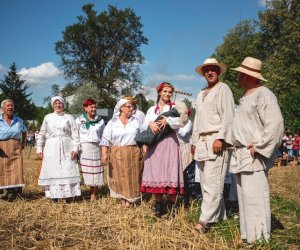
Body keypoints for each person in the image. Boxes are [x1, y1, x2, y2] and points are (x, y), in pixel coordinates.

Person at [229, 57, 284, 243]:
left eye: (239, 74)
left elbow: (275, 124)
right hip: (241, 154)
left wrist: (260, 146)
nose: (237, 76)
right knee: (245, 199)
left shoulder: (264, 94)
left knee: (255, 198)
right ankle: (248, 236)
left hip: (253, 154)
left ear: (246, 75)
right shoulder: (246, 97)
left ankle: (259, 238)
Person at [191, 58, 235, 233]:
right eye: (206, 70)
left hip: (216, 140)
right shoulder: (201, 93)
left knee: (213, 182)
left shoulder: (223, 89)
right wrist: (194, 142)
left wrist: (222, 138)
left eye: (213, 69)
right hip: (201, 141)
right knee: (205, 182)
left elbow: (229, 116)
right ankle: (220, 216)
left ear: (218, 71)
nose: (209, 72)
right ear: (203, 73)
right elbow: (197, 120)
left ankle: (204, 221)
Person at [140, 82, 184, 217]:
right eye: (165, 91)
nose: (167, 94)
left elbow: (181, 123)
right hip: (154, 145)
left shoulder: (175, 108)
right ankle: (159, 206)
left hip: (170, 142)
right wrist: (150, 123)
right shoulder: (152, 109)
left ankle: (172, 207)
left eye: (170, 92)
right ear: (159, 92)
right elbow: (143, 126)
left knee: (170, 170)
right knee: (155, 172)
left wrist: (168, 121)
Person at [36, 96, 81, 200]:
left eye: (60, 103)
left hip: (67, 146)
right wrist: (39, 148)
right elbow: (42, 133)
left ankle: (69, 194)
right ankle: (54, 195)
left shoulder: (69, 117)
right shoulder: (47, 117)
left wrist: (75, 148)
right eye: (56, 103)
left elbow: (75, 134)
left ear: (63, 105)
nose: (58, 105)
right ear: (52, 105)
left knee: (67, 169)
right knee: (53, 170)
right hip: (51, 147)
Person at [101, 97, 143, 208]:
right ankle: (122, 198)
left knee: (132, 177)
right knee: (118, 177)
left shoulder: (136, 121)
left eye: (132, 106)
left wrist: (145, 152)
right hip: (116, 152)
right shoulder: (112, 123)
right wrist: (104, 154)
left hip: (132, 152)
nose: (131, 108)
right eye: (129, 106)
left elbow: (143, 138)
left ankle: (129, 199)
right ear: (121, 108)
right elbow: (105, 139)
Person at [76, 98, 105, 201]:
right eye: (91, 107)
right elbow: (76, 136)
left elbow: (103, 136)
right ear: (85, 108)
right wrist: (77, 149)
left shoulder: (100, 120)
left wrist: (104, 150)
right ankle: (82, 192)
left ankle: (93, 193)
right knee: (85, 170)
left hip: (96, 147)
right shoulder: (79, 120)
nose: (94, 109)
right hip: (84, 148)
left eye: (95, 106)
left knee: (96, 170)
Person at [0, 99, 27, 200]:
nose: (10, 107)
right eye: (8, 106)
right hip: (2, 147)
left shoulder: (19, 120)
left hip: (16, 147)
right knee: (2, 170)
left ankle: (15, 193)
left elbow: (24, 131)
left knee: (17, 170)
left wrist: (23, 142)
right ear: (3, 108)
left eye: (12, 105)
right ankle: (3, 192)